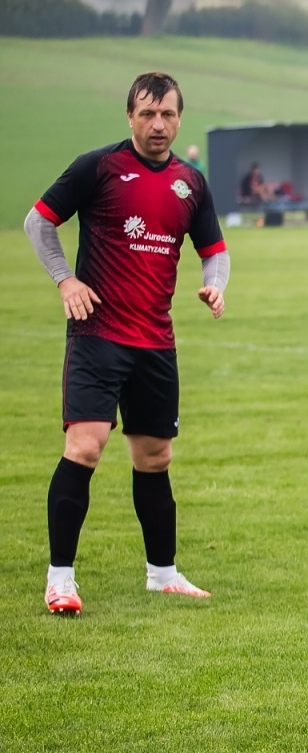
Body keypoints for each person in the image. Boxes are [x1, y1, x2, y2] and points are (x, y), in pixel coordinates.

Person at [24, 71, 228, 616]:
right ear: (130, 116)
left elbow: (214, 249)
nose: (158, 124)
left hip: (156, 343)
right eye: (147, 114)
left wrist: (216, 283)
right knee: (85, 447)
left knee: (155, 458)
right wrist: (65, 279)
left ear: (179, 117)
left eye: (167, 114)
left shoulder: (192, 182)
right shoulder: (98, 167)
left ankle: (162, 575)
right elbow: (37, 222)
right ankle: (60, 580)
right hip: (97, 335)